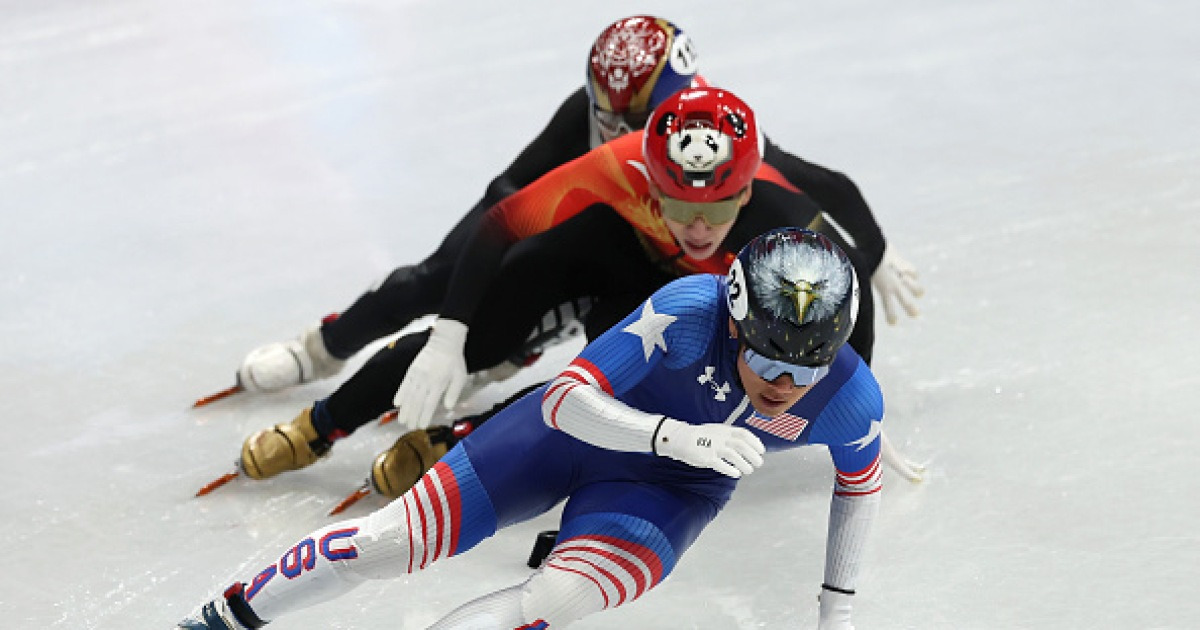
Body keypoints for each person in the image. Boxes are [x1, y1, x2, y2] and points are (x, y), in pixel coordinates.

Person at [177, 227, 884, 630]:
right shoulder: (689, 309)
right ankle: (225, 618)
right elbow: (564, 399)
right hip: (571, 436)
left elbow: (858, 487)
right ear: (733, 323)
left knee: (552, 602)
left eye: (809, 366)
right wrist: (674, 437)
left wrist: (837, 612)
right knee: (385, 544)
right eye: (765, 356)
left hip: (667, 499)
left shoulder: (852, 397)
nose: (784, 384)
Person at [232, 85, 909, 495]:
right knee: (497, 311)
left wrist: (855, 399)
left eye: (718, 209)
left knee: (625, 388)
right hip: (606, 251)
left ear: (748, 186)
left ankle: (463, 436)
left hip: (683, 299)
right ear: (649, 174)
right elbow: (500, 224)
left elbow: (846, 278)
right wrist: (451, 332)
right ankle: (317, 425)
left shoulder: (780, 208)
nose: (699, 228)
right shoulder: (620, 163)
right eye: (678, 204)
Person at [227, 14, 920, 399]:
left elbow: (815, 183)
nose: (620, 131)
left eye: (636, 118)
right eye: (605, 115)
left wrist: (874, 254)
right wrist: (464, 286)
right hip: (585, 197)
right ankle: (320, 349)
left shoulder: (705, 134)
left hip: (639, 231)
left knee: (593, 288)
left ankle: (501, 359)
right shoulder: (590, 124)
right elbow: (509, 194)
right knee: (438, 277)